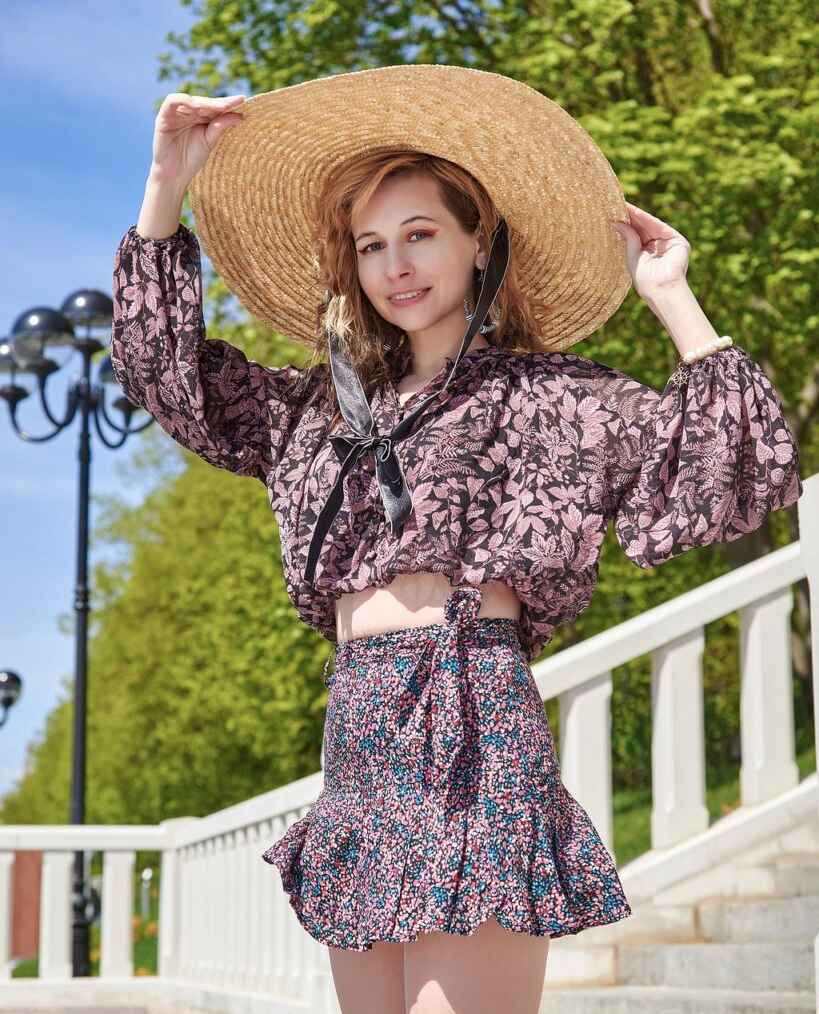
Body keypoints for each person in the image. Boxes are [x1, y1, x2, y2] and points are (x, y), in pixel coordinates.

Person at [110, 65, 803, 1014]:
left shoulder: (554, 398)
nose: (395, 264)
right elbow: (163, 374)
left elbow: (733, 474)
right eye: (371, 244)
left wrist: (672, 299)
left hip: (470, 702)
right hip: (358, 722)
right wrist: (166, 187)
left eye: (421, 234)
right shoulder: (314, 410)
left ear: (480, 243)